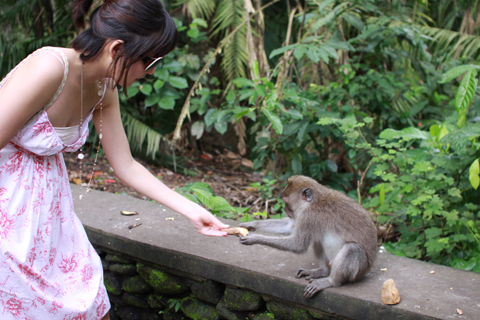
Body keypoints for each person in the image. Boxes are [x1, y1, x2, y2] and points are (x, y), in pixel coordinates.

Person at [0, 0, 229, 319]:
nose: (150, 73)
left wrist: (192, 210)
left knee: (87, 298)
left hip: (49, 208)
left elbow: (126, 165)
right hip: (8, 203)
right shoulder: (49, 67)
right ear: (117, 48)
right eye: (151, 62)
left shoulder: (103, 89)